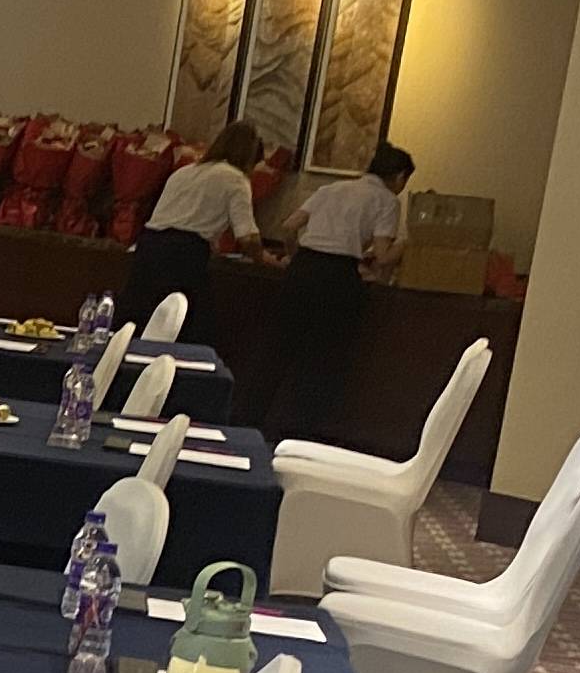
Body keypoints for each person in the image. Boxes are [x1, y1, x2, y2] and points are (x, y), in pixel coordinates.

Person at [257, 144, 413, 438]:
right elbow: (382, 257)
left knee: (277, 347)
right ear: (399, 176)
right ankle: (301, 432)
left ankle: (250, 419)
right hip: (338, 278)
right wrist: (407, 242)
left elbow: (289, 226)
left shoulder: (332, 189)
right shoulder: (386, 201)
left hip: (302, 269)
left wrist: (294, 256)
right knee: (321, 358)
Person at [120, 120, 264, 327]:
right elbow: (246, 236)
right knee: (178, 322)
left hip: (149, 244)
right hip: (184, 253)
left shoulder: (184, 172)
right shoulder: (236, 179)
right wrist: (262, 258)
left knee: (138, 315)